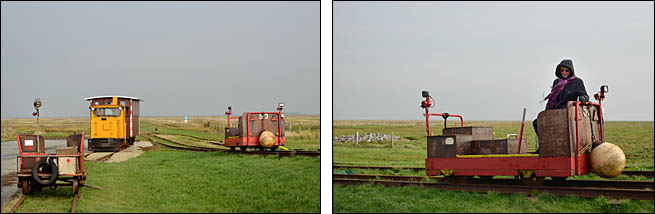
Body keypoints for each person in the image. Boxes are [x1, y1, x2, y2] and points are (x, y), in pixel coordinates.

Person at [532, 59, 589, 153]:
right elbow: (552, 99)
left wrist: (583, 98)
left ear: (571, 71)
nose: (564, 73)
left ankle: (563, 148)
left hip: (567, 112)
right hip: (554, 111)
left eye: (566, 70)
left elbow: (585, 95)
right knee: (537, 122)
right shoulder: (556, 82)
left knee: (560, 124)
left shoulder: (577, 82)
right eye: (562, 70)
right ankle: (545, 145)